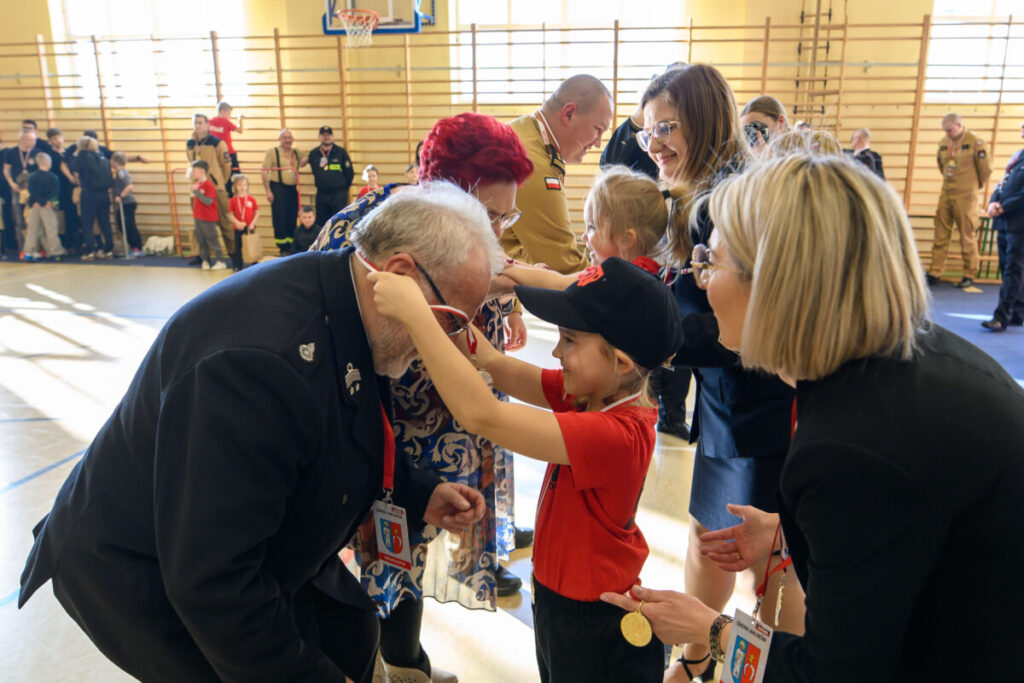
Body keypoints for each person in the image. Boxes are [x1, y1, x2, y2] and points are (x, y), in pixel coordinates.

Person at [18, 182, 490, 683]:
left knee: (347, 634)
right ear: (400, 274)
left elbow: (336, 427)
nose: (456, 340)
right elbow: (216, 585)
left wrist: (416, 491)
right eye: (452, 320)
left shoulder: (353, 298)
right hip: (145, 571)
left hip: (250, 545)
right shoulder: (256, 364)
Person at [601, 153, 1024, 683]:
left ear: (776, 287)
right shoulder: (895, 366)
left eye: (712, 260)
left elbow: (831, 673)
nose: (702, 282)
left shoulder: (852, 445)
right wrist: (788, 531)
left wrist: (709, 630)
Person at [369, 257, 684, 683]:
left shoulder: (616, 434)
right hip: (558, 603)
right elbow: (497, 365)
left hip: (596, 625)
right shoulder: (591, 394)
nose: (556, 352)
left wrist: (412, 315)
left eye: (569, 340)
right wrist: (440, 311)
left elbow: (483, 415)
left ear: (622, 363)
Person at [312, 112, 534, 683]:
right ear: (443, 195)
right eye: (489, 214)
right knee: (389, 556)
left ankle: (403, 660)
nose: (499, 228)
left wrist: (504, 305)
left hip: (446, 425)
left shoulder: (471, 230)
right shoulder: (357, 234)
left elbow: (496, 272)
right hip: (386, 431)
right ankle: (401, 664)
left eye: (506, 215)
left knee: (413, 546)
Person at [637, 64, 800, 683]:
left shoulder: (727, 201)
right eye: (647, 131)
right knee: (711, 535)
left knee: (767, 561)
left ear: (704, 121)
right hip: (727, 407)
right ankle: (699, 656)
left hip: (761, 407)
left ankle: (764, 665)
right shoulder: (698, 192)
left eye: (667, 128)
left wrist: (645, 338)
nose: (654, 145)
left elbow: (728, 328)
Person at [502, 166, 691, 439]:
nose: (584, 236)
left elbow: (559, 282)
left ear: (627, 238)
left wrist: (506, 269)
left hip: (611, 416)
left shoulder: (620, 283)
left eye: (591, 227)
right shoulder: (642, 275)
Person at [502, 74, 614, 274]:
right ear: (569, 113)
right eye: (598, 129)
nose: (598, 143)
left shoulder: (526, 130)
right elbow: (563, 267)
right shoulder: (532, 162)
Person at [928, 113, 991, 288]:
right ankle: (935, 272)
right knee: (940, 235)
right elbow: (942, 165)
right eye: (945, 130)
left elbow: (985, 170)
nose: (947, 133)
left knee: (966, 236)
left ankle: (969, 273)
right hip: (946, 193)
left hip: (966, 196)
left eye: (949, 130)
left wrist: (971, 186)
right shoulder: (943, 142)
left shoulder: (976, 142)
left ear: (959, 125)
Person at [982, 121, 1024, 331]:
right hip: (1005, 222)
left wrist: (1003, 206)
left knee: (1013, 270)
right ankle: (1017, 311)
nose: (1022, 128)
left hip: (1019, 223)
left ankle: (1001, 316)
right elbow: (1003, 183)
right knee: (1008, 268)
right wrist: (992, 202)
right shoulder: (1017, 155)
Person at [186, 113, 234, 264]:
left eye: (200, 123)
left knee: (225, 224)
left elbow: (226, 165)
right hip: (197, 189)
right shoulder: (190, 143)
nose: (198, 126)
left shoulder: (217, 143)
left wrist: (218, 182)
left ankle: (234, 257)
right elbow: (191, 162)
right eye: (195, 123)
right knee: (199, 224)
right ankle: (204, 257)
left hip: (216, 189)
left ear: (208, 125)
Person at [262, 128, 305, 256]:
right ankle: (282, 248)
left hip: (292, 190)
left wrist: (305, 160)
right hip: (277, 188)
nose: (287, 140)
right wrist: (268, 191)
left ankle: (291, 247)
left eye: (289, 137)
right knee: (280, 219)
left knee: (292, 217)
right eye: (284, 137)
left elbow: (307, 158)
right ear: (279, 139)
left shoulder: (296, 153)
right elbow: (264, 171)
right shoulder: (272, 152)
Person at [72, 136, 115, 261]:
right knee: (105, 223)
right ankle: (108, 250)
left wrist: (76, 154)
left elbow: (74, 166)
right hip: (104, 193)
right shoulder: (102, 157)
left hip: (89, 193)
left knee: (87, 223)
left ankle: (90, 251)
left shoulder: (83, 156)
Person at [307, 125, 354, 228]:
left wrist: (342, 188)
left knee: (339, 222)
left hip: (338, 194)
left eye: (329, 135)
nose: (326, 137)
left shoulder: (341, 152)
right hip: (321, 193)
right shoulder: (314, 153)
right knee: (322, 224)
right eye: (324, 135)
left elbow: (349, 173)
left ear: (332, 137)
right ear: (319, 137)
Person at [23, 153, 65, 261]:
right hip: (47, 206)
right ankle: (55, 251)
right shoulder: (53, 177)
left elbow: (31, 191)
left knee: (32, 229)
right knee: (51, 228)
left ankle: (29, 251)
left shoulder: (32, 176)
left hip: (34, 206)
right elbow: (55, 192)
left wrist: (37, 202)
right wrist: (46, 202)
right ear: (48, 163)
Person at [3, 128, 40, 254]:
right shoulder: (11, 152)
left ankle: (37, 247)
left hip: (33, 191)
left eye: (34, 139)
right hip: (17, 190)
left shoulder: (37, 152)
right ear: (22, 139)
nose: (33, 142)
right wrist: (11, 183)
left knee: (34, 218)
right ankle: (22, 247)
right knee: (19, 220)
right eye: (30, 139)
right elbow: (6, 169)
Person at [189, 160, 228, 271]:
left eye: (194, 170)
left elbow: (208, 201)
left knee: (212, 239)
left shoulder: (208, 185)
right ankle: (205, 260)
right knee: (201, 240)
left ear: (201, 171)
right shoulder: (198, 184)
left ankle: (221, 261)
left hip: (208, 218)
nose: (192, 172)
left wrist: (196, 192)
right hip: (198, 217)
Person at [111, 152, 143, 257]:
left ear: (115, 162)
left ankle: (137, 248)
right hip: (126, 203)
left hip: (127, 203)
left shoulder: (122, 173)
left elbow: (129, 186)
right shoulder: (119, 172)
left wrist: (120, 195)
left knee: (129, 226)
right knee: (123, 225)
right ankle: (134, 246)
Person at [209, 101, 243, 195]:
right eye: (228, 113)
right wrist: (240, 119)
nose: (229, 116)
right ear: (223, 111)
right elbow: (240, 130)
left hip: (216, 155)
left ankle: (226, 195)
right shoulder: (225, 121)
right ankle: (235, 196)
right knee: (236, 175)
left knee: (222, 177)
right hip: (228, 153)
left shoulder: (210, 122)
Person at [228, 173, 259, 272]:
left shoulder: (251, 199)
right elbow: (230, 214)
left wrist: (252, 224)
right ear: (235, 186)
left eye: (245, 184)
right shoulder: (233, 200)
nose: (243, 187)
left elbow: (257, 212)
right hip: (238, 227)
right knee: (238, 248)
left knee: (252, 246)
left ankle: (254, 265)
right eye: (240, 185)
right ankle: (238, 266)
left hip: (250, 227)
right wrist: (237, 222)